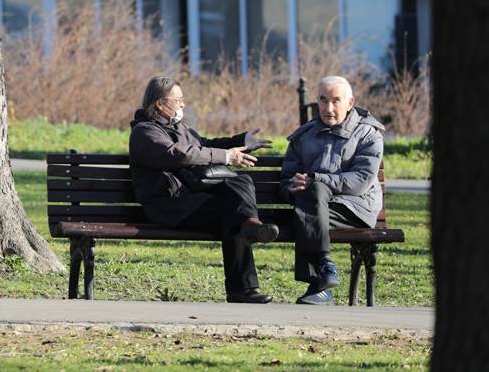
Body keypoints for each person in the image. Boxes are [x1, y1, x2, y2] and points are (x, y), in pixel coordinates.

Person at [129, 76, 279, 304]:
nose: (182, 104)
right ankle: (242, 288)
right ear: (159, 103)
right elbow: (180, 154)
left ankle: (251, 224)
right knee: (231, 213)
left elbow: (205, 144)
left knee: (240, 184)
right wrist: (227, 157)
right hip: (170, 205)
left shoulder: (179, 127)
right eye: (177, 99)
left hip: (192, 199)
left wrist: (241, 140)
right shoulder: (145, 132)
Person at [280, 75, 384, 305]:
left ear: (350, 102)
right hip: (312, 207)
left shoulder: (368, 133)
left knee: (312, 196)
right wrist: (294, 188)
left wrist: (316, 180)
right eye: (323, 100)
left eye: (336, 100)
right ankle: (324, 268)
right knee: (310, 197)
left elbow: (361, 180)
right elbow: (287, 180)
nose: (329, 108)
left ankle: (318, 283)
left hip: (354, 208)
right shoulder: (303, 136)